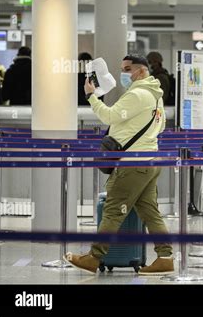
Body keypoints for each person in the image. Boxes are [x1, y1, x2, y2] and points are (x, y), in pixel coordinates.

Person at [65, 54, 174, 275]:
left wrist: (91, 97)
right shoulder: (156, 96)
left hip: (132, 164)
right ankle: (165, 257)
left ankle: (93, 258)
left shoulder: (137, 94)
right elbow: (160, 128)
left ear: (141, 71)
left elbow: (109, 116)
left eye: (127, 69)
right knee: (150, 212)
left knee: (113, 209)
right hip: (150, 161)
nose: (124, 74)